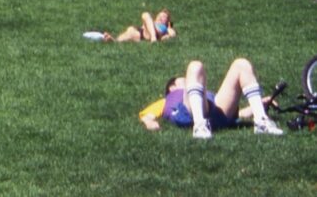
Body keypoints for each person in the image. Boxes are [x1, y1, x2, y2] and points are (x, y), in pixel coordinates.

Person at [138, 58, 283, 137]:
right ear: (172, 88)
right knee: (195, 66)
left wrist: (257, 106)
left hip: (216, 111)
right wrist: (149, 123)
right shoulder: (168, 99)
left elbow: (238, 114)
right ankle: (199, 126)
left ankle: (261, 120)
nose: (187, 80)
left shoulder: (205, 92)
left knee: (241, 64)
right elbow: (147, 115)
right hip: (188, 114)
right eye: (183, 80)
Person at [107, 9, 175, 43]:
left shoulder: (166, 28)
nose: (160, 17)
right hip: (142, 33)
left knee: (145, 14)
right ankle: (114, 41)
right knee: (131, 31)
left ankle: (153, 38)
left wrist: (168, 34)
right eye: (159, 15)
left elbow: (172, 34)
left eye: (163, 17)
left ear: (168, 22)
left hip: (153, 34)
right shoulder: (152, 23)